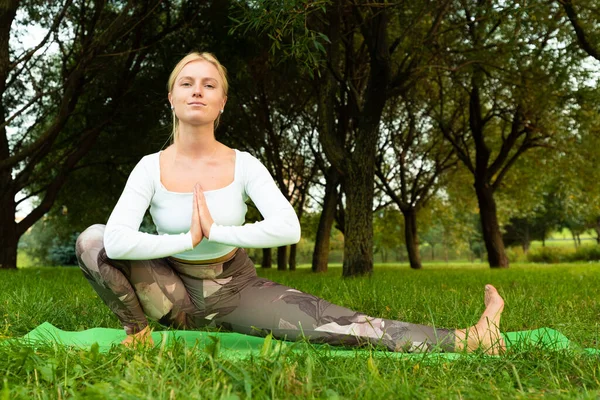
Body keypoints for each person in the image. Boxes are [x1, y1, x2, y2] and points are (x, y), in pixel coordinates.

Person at [75, 51, 505, 353]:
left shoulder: (243, 164)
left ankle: (473, 337)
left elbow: (287, 228)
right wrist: (186, 239)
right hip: (169, 293)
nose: (197, 91)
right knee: (91, 240)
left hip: (235, 290)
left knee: (343, 324)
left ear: (222, 102)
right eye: (186, 83)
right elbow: (115, 239)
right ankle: (137, 331)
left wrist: (217, 232)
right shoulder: (150, 167)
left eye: (209, 85)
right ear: (171, 97)